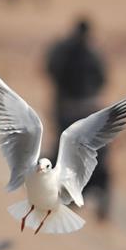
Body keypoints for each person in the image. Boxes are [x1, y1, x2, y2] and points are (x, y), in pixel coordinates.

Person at [44, 18, 111, 220]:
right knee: (96, 156)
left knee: (64, 151)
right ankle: (95, 201)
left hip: (67, 107)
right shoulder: (93, 53)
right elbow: (102, 78)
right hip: (87, 108)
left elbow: (51, 69)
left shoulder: (62, 49)